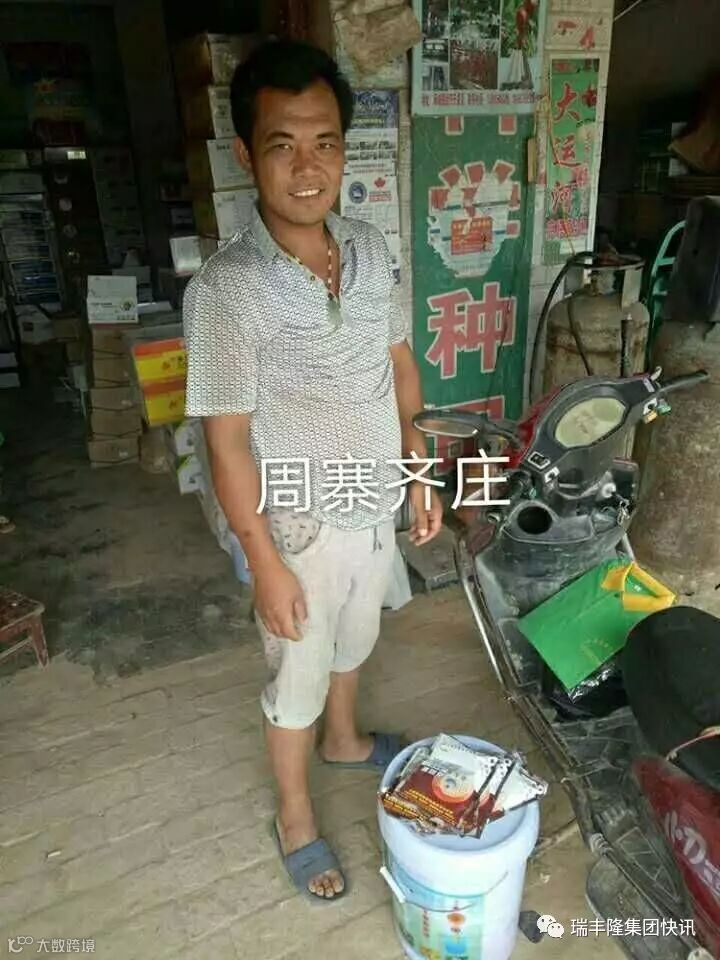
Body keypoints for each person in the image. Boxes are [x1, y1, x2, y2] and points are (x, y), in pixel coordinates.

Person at [183, 38, 442, 903]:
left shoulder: (368, 247)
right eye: (282, 145)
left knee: (357, 635)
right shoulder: (226, 290)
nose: (307, 168)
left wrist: (419, 472)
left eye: (324, 142)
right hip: (293, 519)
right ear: (245, 154)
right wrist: (261, 560)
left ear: (344, 149)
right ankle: (295, 815)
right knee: (297, 669)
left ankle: (345, 740)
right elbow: (225, 442)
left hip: (372, 498)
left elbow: (400, 367)